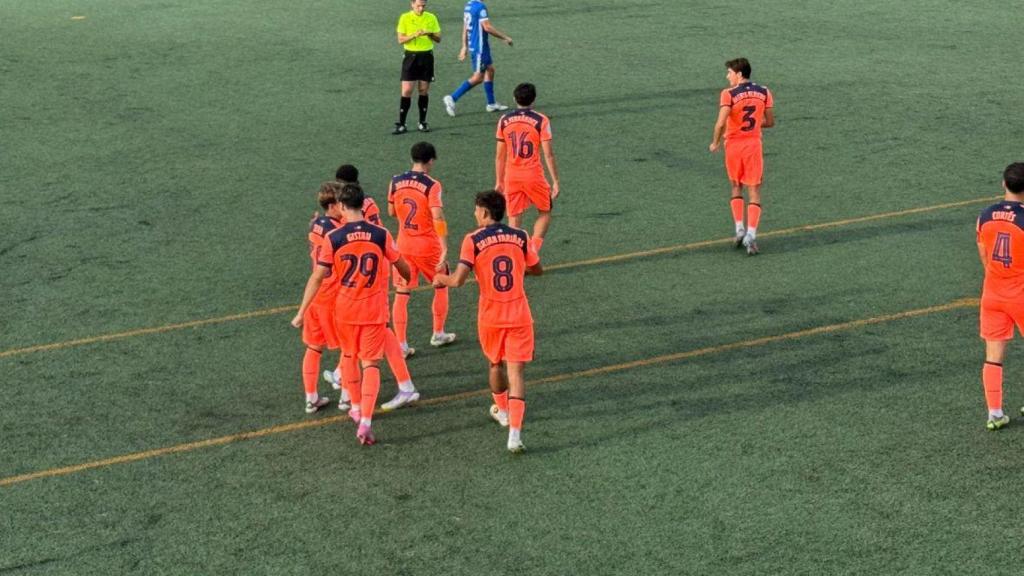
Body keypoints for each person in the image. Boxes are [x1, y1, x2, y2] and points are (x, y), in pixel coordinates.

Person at [292, 184, 412, 445]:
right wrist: (406, 276)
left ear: (343, 206)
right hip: (373, 310)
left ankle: (354, 406)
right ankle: (366, 420)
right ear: (362, 204)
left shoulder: (334, 237)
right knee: (371, 365)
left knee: (348, 357)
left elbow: (317, 276)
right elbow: (401, 264)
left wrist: (301, 311)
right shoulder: (380, 234)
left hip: (345, 309)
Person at [434, 191, 542, 453]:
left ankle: (502, 411)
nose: (474, 214)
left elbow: (458, 280)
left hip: (491, 315)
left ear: (484, 212)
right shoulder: (520, 236)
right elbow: (537, 269)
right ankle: (515, 435)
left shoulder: (473, 240)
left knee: (495, 364)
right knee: (516, 373)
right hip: (518, 313)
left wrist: (440, 279)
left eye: (475, 210)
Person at [322, 165, 422, 412]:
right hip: (377, 270)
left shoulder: (349, 213)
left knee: (358, 337)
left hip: (365, 282)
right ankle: (404, 386)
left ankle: (348, 392)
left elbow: (347, 238)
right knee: (382, 333)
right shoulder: (367, 203)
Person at [388, 142, 457, 354]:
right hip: (428, 246)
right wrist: (444, 247)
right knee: (441, 284)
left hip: (403, 245)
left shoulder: (395, 181)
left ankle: (401, 344)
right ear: (431, 160)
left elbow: (391, 212)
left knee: (402, 293)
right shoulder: (432, 185)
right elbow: (437, 216)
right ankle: (438, 333)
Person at [709, 57, 775, 255]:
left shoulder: (728, 94)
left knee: (736, 185)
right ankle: (751, 235)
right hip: (753, 145)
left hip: (733, 146)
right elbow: (770, 122)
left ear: (739, 74)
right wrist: (753, 125)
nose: (727, 76)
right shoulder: (764, 92)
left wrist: (715, 142)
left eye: (729, 72)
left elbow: (720, 123)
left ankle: (739, 228)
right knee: (754, 190)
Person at [975, 163, 1024, 430]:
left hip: (993, 294)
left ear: (1004, 184)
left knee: (993, 354)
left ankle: (994, 413)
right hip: (1021, 294)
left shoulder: (985, 215)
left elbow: (983, 253)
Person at [294, 182, 345, 414]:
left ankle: (311, 398)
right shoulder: (338, 231)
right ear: (332, 206)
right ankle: (346, 395)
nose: (344, 207)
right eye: (341, 203)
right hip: (333, 296)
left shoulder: (316, 224)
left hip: (315, 296)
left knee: (313, 348)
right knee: (350, 348)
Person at [494, 83, 560, 253]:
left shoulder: (504, 120)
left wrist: (499, 181)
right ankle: (533, 251)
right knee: (545, 211)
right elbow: (548, 154)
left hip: (512, 176)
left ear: (514, 98)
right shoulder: (541, 120)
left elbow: (500, 155)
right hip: (533, 175)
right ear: (534, 99)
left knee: (514, 217)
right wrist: (555, 181)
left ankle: (515, 255)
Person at [442, 0, 513, 117]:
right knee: (478, 77)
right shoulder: (480, 7)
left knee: (490, 70)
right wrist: (505, 38)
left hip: (478, 46)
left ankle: (491, 103)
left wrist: (464, 46)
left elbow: (465, 27)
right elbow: (487, 27)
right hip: (480, 48)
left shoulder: (468, 5)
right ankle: (452, 98)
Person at [395, 0, 441, 135]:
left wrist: (429, 33)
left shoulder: (431, 17)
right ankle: (402, 123)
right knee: (407, 90)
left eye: (423, 6)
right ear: (412, 4)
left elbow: (438, 39)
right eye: (418, 6)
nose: (421, 8)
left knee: (423, 90)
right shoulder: (405, 18)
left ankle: (422, 122)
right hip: (411, 57)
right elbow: (400, 40)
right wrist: (414, 35)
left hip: (426, 56)